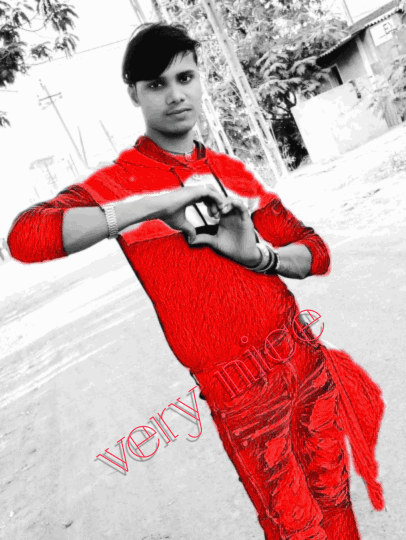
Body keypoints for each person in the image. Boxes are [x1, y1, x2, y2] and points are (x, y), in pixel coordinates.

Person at [7, 22, 385, 540]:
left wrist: (259, 256)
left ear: (200, 79)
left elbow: (314, 252)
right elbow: (26, 237)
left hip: (303, 361)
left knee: (337, 502)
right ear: (134, 94)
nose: (175, 95)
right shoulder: (120, 183)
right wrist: (158, 203)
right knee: (296, 529)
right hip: (243, 396)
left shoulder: (233, 171)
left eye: (185, 78)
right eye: (156, 84)